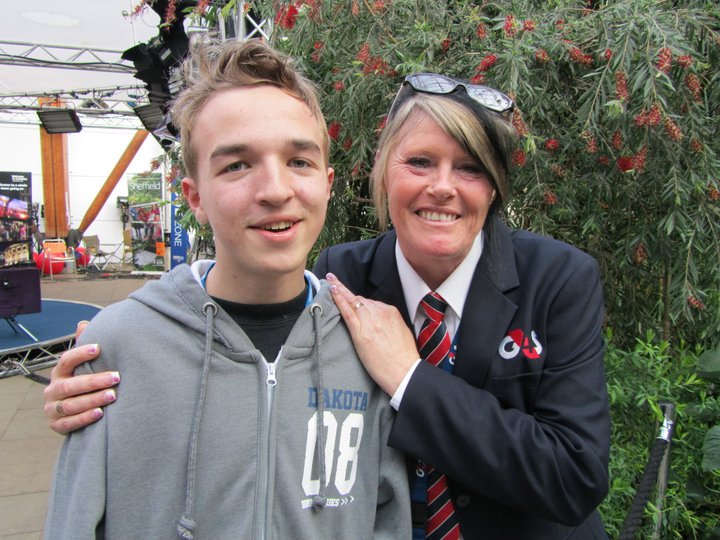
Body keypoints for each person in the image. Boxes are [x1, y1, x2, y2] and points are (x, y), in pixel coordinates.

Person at [45, 73, 610, 539]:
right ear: (382, 173)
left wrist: (410, 379)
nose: (443, 186)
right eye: (419, 162)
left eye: (470, 167)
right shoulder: (343, 277)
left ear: (495, 187)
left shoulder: (557, 280)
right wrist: (124, 370)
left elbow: (575, 476)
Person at [43, 39, 410, 540]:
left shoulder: (368, 347)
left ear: (327, 184)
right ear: (195, 197)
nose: (275, 190)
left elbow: (388, 520)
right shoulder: (120, 347)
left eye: (299, 161)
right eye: (237, 165)